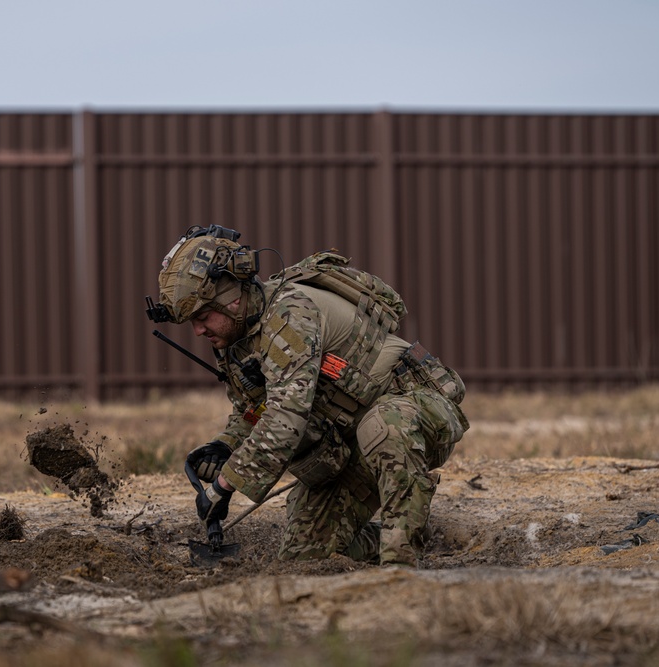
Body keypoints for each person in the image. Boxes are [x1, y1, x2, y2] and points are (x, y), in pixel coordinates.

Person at [146, 224, 469, 566]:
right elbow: (255, 412)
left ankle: (400, 568)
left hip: (414, 414)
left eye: (203, 316)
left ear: (232, 298)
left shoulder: (289, 314)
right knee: (305, 560)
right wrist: (225, 446)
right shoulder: (236, 342)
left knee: (383, 427)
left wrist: (225, 485)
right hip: (352, 445)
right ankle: (406, 530)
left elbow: (285, 420)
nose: (198, 330)